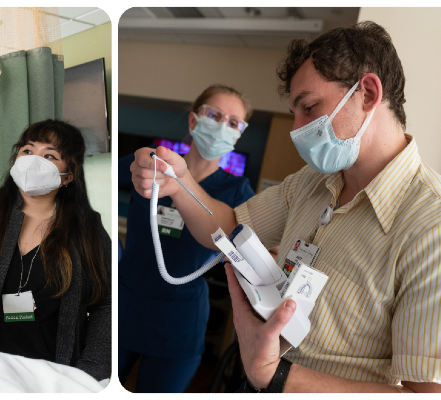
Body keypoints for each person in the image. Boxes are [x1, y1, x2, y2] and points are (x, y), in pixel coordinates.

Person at [130, 22, 441, 392]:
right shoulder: (310, 182)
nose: (297, 129)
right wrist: (178, 182)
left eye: (309, 107)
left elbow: (426, 394)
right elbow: (229, 227)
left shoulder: (429, 224)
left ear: (369, 93)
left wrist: (279, 377)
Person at [0, 119, 111, 382]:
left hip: (53, 378)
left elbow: (107, 301)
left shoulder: (87, 228)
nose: (34, 160)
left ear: (68, 176)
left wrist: (90, 372)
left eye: (49, 155)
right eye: (27, 150)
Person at [117, 85, 256, 392]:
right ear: (194, 121)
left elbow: (253, 249)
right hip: (127, 302)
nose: (223, 125)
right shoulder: (155, 164)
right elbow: (93, 178)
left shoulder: (238, 193)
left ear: (238, 135)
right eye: (215, 115)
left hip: (177, 320)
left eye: (234, 123)